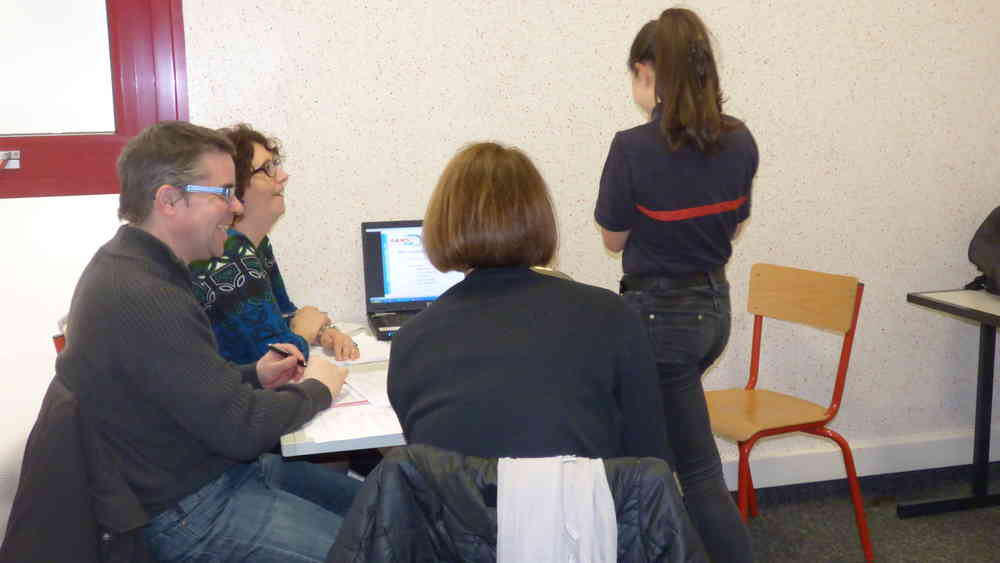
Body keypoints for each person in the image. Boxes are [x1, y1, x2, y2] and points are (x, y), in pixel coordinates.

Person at [57, 120, 362, 562]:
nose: (236, 207)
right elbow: (241, 429)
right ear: (169, 201)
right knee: (370, 548)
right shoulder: (145, 294)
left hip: (212, 473)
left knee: (379, 511)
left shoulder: (135, 267)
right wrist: (317, 389)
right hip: (187, 510)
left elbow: (184, 383)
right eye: (223, 194)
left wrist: (255, 375)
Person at [594, 9, 758, 562]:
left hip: (660, 317)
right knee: (655, 456)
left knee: (697, 474)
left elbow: (613, 239)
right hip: (713, 308)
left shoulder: (632, 147)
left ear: (648, 72)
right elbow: (733, 224)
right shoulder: (740, 139)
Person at [388, 142, 670, 462]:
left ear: (443, 225)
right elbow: (652, 460)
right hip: (582, 494)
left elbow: (429, 455)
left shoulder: (411, 341)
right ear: (538, 219)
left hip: (461, 497)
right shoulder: (612, 317)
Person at [189, 123, 359, 364]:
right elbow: (272, 362)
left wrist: (322, 332)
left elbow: (279, 317)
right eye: (268, 168)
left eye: (276, 164)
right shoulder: (229, 252)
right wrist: (305, 332)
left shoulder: (258, 245)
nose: (283, 176)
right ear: (235, 186)